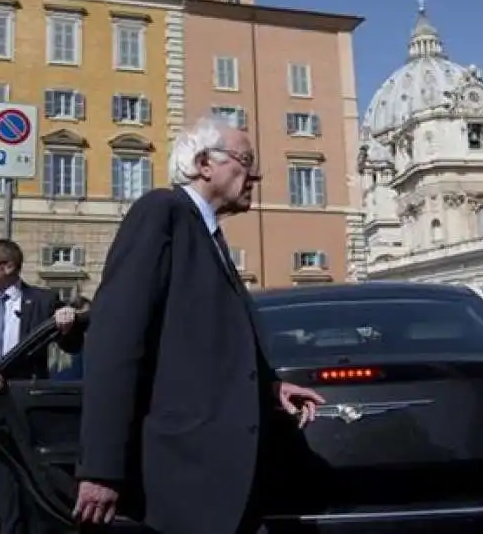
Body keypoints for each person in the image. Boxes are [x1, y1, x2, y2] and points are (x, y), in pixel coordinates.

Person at [74, 117, 325, 534]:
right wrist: (101, 467)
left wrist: (270, 387)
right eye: (245, 160)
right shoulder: (162, 212)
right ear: (204, 163)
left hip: (223, 480)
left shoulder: (208, 235)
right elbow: (116, 340)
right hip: (181, 477)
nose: (255, 174)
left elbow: (197, 343)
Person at [0, 239, 82, 534]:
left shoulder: (42, 300)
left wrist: (69, 325)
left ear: (7, 267)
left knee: (29, 480)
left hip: (23, 406)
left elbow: (72, 346)